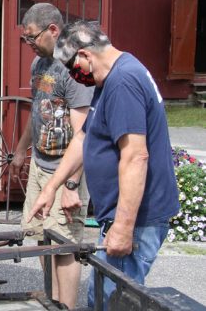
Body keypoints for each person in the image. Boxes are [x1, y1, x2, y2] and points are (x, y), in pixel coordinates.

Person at [28, 20, 180, 309]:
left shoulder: (123, 81)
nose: (75, 77)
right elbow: (84, 137)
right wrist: (51, 187)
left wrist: (123, 227)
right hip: (118, 215)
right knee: (102, 295)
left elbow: (136, 156)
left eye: (74, 69)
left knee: (112, 301)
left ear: (85, 55)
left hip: (138, 219)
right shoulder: (108, 78)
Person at [11, 3, 93, 309]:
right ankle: (52, 301)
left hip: (66, 171)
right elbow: (38, 109)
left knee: (64, 246)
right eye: (25, 39)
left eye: (32, 37)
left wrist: (72, 185)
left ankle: (66, 307)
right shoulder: (39, 65)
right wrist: (21, 149)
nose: (29, 44)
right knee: (42, 239)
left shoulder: (77, 70)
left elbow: (84, 132)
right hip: (40, 167)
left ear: (54, 30)